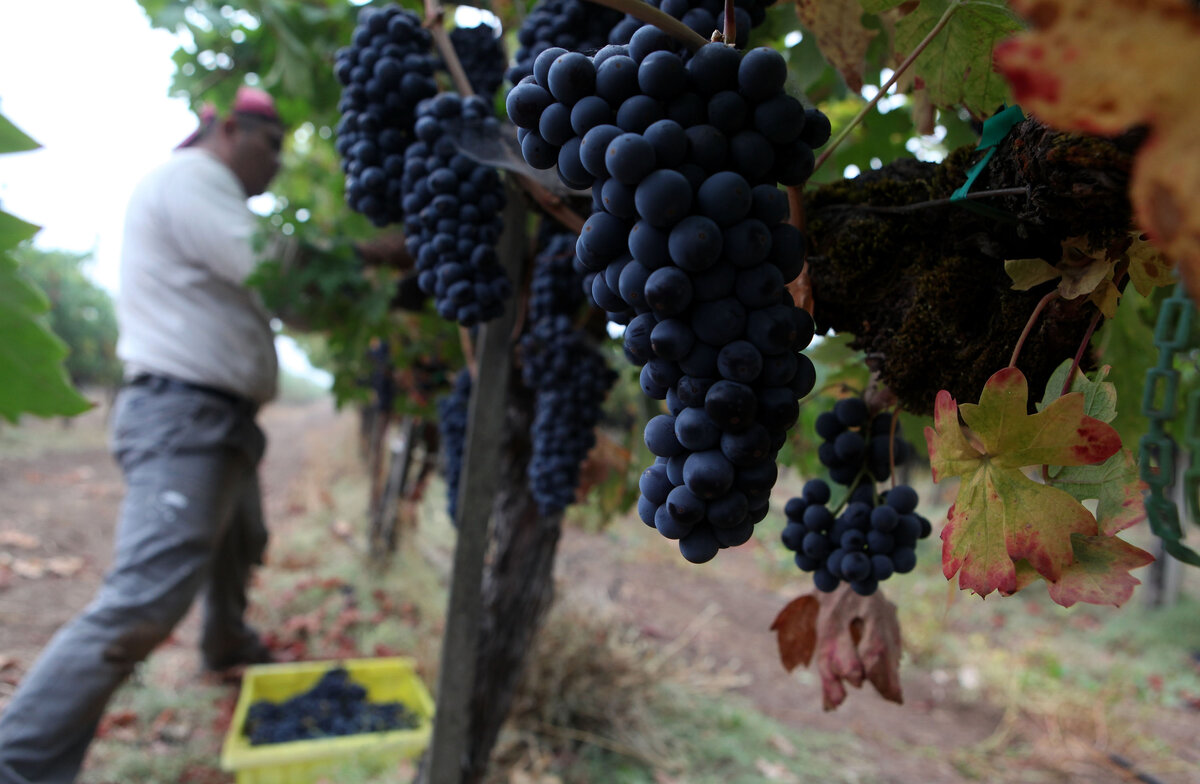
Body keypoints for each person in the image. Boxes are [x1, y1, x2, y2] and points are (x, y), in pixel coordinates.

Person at [0, 86, 289, 784]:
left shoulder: (212, 197)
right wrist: (366, 259)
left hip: (215, 418)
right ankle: (16, 763)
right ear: (224, 131)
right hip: (184, 415)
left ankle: (225, 643)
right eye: (268, 143)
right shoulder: (192, 179)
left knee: (238, 540)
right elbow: (275, 269)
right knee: (145, 597)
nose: (275, 162)